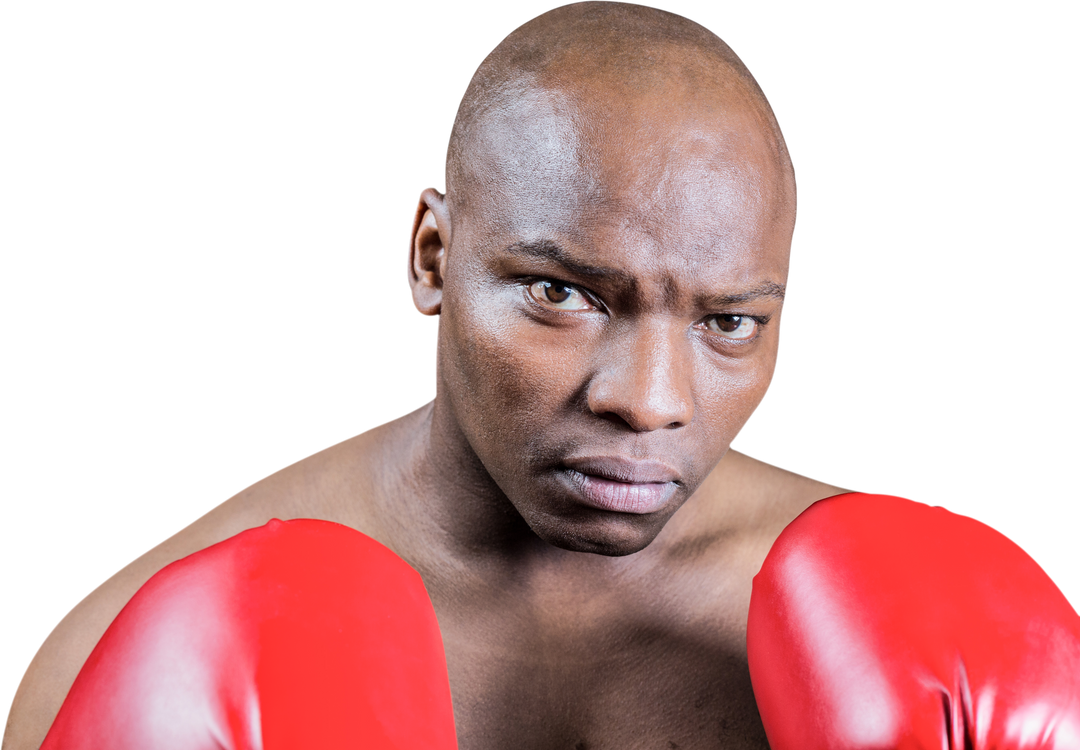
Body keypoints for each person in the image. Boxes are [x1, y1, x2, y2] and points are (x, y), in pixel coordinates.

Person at [5, 2, 1075, 748]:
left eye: (729, 322)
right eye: (565, 295)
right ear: (431, 257)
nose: (650, 399)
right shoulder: (135, 649)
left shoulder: (951, 635)